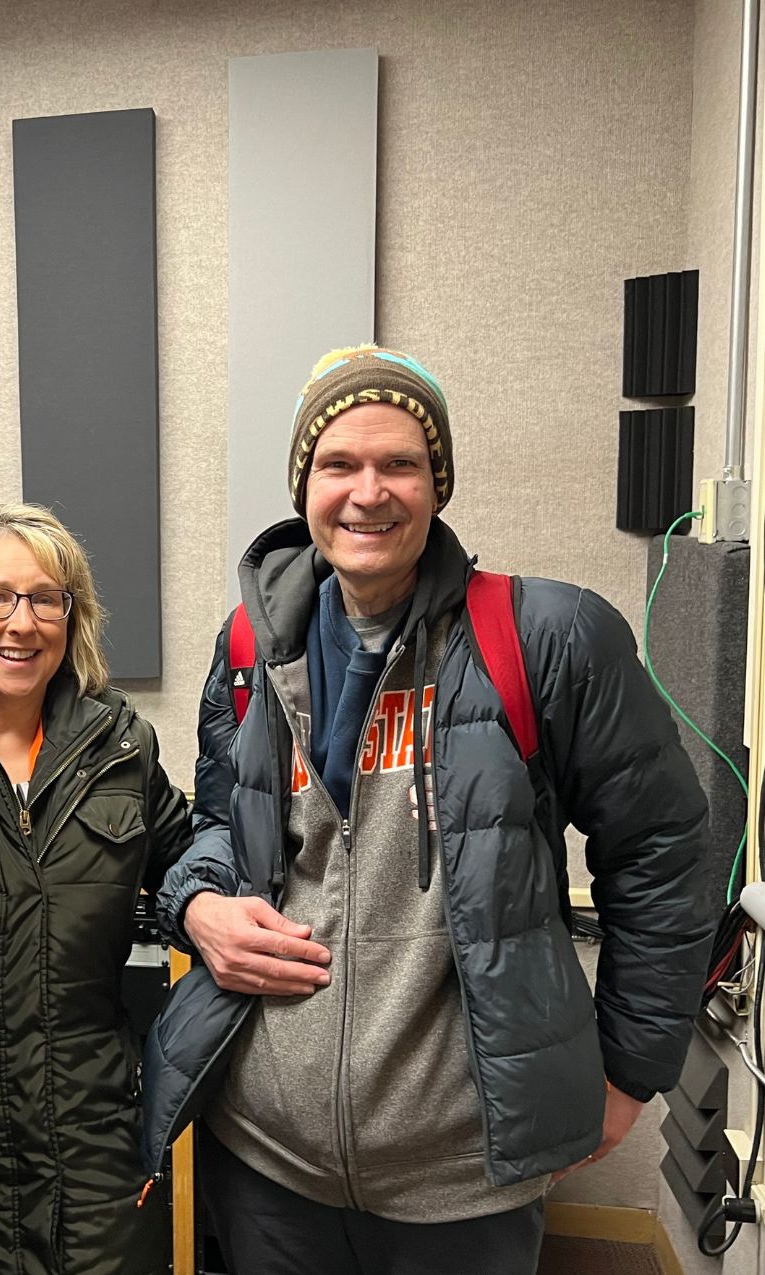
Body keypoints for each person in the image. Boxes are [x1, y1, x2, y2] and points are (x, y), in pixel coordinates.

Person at [146, 346, 713, 1274]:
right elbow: (215, 823)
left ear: (436, 483)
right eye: (338, 464)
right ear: (303, 485)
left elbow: (663, 856)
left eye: (399, 463)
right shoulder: (249, 642)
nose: (368, 492)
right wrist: (197, 905)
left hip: (461, 1176)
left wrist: (628, 1072)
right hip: (264, 1158)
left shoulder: (548, 637)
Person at [0, 503, 192, 1275]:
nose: (21, 621)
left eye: (46, 598)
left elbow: (188, 859)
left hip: (95, 1134)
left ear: (72, 618)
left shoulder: (120, 746)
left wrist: (209, 901)